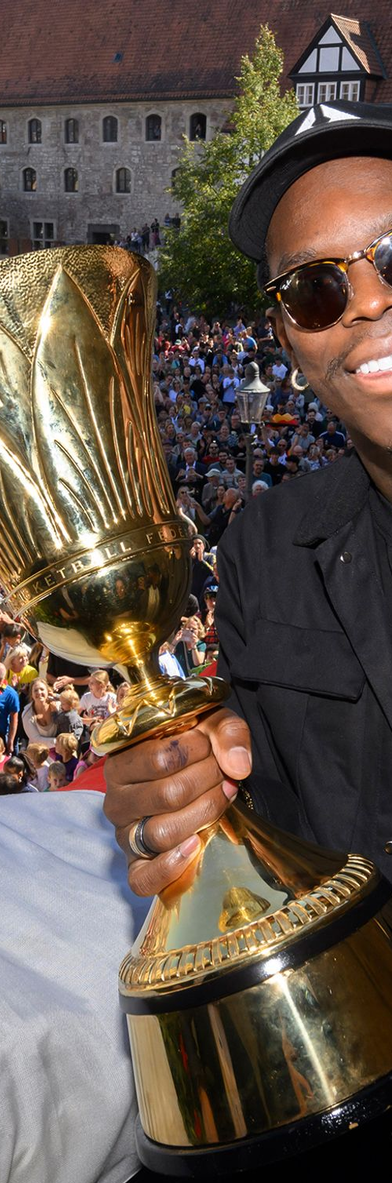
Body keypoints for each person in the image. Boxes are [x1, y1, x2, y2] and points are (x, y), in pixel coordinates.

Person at [104, 100, 392, 901]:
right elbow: (268, 804)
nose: (366, 301)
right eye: (315, 288)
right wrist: (185, 794)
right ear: (286, 339)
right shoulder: (266, 548)